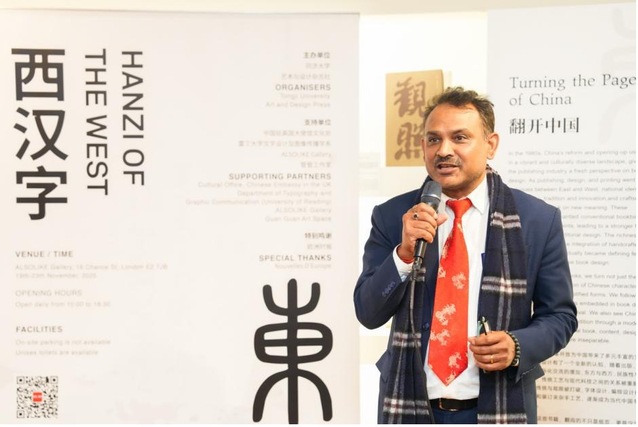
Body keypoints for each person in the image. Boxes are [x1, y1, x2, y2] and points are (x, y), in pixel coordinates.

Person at [354, 86, 577, 424]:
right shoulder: (394, 215)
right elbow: (368, 312)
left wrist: (517, 345)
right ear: (423, 146)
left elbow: (560, 316)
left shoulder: (536, 219)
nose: (444, 150)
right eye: (434, 139)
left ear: (491, 145)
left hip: (497, 404)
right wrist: (403, 254)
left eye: (460, 138)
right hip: (410, 404)